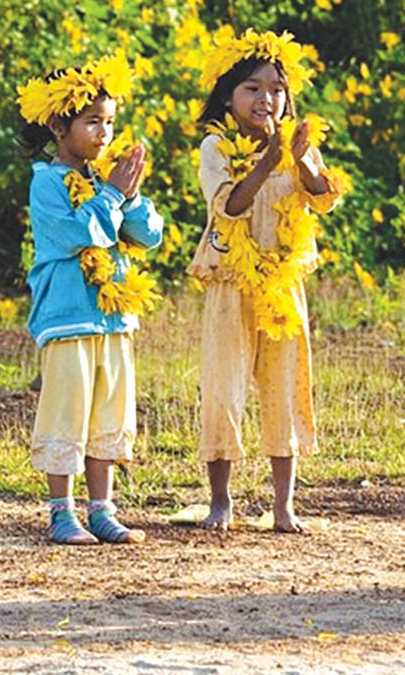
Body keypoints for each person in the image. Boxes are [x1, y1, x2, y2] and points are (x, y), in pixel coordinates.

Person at [189, 29, 346, 532]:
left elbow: (324, 197)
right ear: (228, 97)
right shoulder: (216, 146)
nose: (266, 99)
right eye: (252, 89)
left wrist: (296, 156)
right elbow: (229, 207)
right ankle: (221, 500)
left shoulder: (299, 140)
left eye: (276, 89)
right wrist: (268, 161)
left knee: (285, 388)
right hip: (230, 282)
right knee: (223, 387)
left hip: (282, 285)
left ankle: (284, 505)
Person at [19, 56, 164, 544]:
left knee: (109, 412)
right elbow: (79, 235)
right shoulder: (47, 183)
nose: (104, 133)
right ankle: (62, 512)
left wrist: (131, 195)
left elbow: (147, 236)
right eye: (92, 122)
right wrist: (112, 198)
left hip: (113, 316)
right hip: (68, 318)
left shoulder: (109, 182)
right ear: (60, 126)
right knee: (67, 410)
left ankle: (102, 508)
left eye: (110, 122)